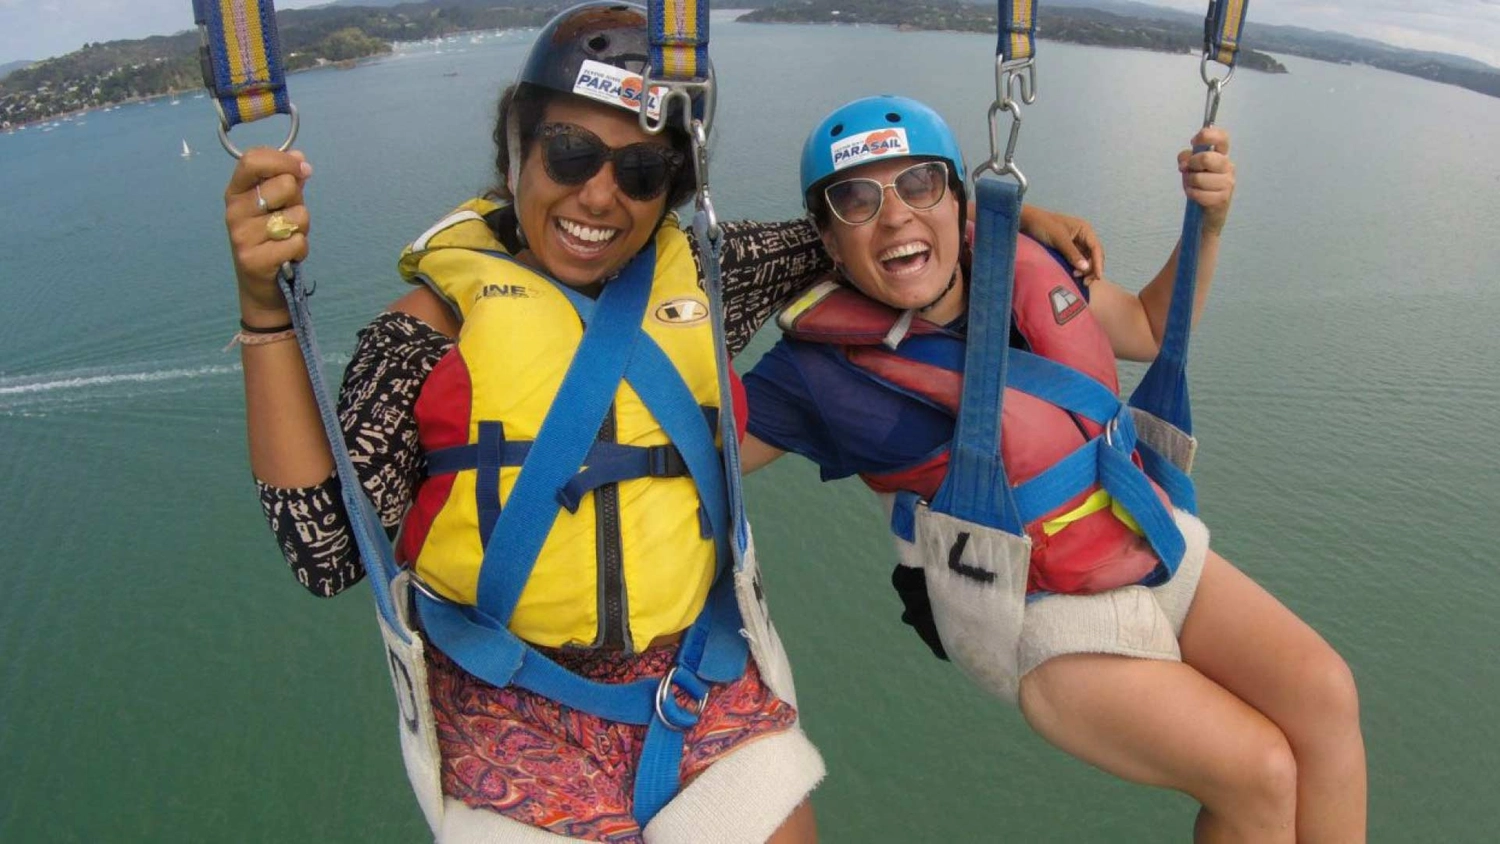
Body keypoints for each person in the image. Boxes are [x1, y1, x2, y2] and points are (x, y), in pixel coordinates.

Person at [221, 7, 1102, 841]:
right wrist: (266, 312)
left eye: (641, 172)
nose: (600, 196)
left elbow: (863, 231)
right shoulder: (424, 334)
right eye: (569, 154)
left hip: (697, 675)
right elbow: (325, 552)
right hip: (502, 702)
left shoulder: (712, 276)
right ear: (517, 150)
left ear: (672, 189)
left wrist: (1007, 215)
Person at [740, 95, 1367, 843]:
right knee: (1259, 771)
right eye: (856, 199)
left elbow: (1147, 326)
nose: (897, 214)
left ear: (959, 198)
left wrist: (1210, 222)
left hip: (1140, 537)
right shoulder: (815, 375)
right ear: (827, 242)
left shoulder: (1026, 267)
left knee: (1325, 695)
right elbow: (691, 452)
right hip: (1035, 618)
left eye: (919, 185)